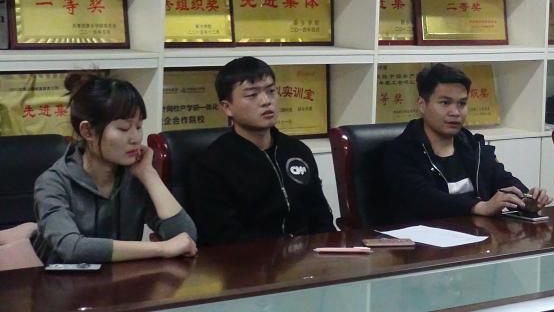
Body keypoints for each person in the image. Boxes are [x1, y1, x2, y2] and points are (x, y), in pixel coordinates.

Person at [32, 73, 197, 264]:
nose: (135, 138)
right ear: (88, 131)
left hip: (122, 279)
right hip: (61, 281)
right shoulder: (53, 183)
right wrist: (162, 248)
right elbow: (72, 248)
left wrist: (149, 175)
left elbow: (185, 237)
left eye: (139, 126)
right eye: (124, 129)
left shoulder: (134, 175)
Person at [188, 57, 334, 246]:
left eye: (271, 91)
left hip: (308, 258)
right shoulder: (212, 164)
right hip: (248, 260)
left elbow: (322, 219)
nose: (266, 101)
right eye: (252, 95)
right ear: (227, 107)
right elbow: (223, 238)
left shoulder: (297, 151)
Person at [383, 63, 552, 223]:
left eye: (462, 104)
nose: (455, 112)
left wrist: (526, 199)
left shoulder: (473, 146)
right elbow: (423, 198)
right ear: (422, 105)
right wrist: (479, 206)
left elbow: (502, 178)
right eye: (445, 103)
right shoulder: (400, 151)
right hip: (423, 240)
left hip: (480, 237)